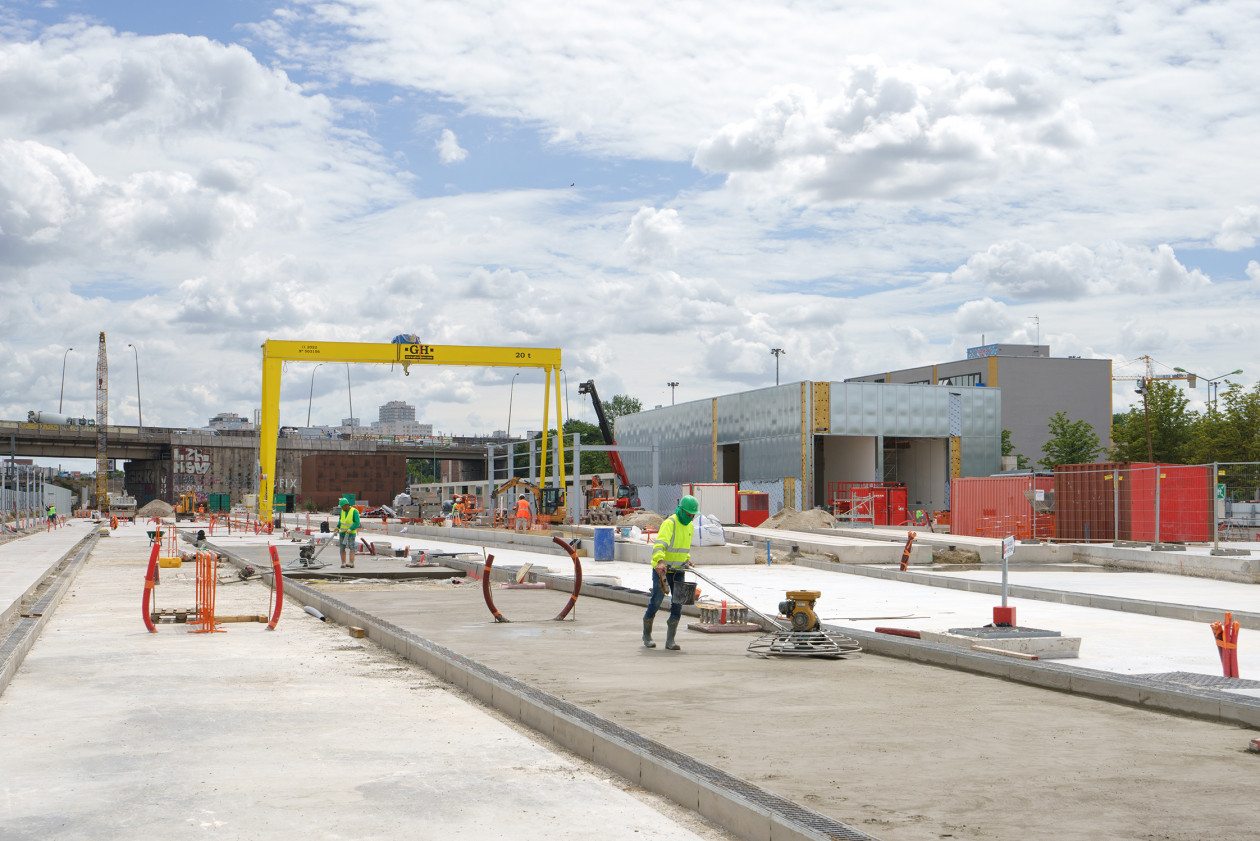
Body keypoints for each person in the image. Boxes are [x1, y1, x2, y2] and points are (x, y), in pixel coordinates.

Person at [642, 495, 700, 651]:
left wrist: (687, 560)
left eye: (693, 515)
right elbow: (659, 545)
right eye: (689, 514)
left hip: (678, 570)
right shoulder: (670, 523)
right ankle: (647, 635)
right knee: (657, 600)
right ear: (681, 511)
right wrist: (660, 561)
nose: (691, 517)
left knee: (678, 604)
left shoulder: (689, 527)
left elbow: (683, 547)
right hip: (663, 569)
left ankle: (670, 641)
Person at [337, 496, 360, 568]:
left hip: (351, 533)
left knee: (351, 546)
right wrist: (337, 527)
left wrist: (351, 529)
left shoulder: (354, 511)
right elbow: (340, 521)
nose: (341, 508)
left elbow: (357, 523)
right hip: (343, 532)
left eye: (342, 506)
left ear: (346, 505)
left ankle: (351, 562)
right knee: (342, 547)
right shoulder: (342, 511)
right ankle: (343, 563)